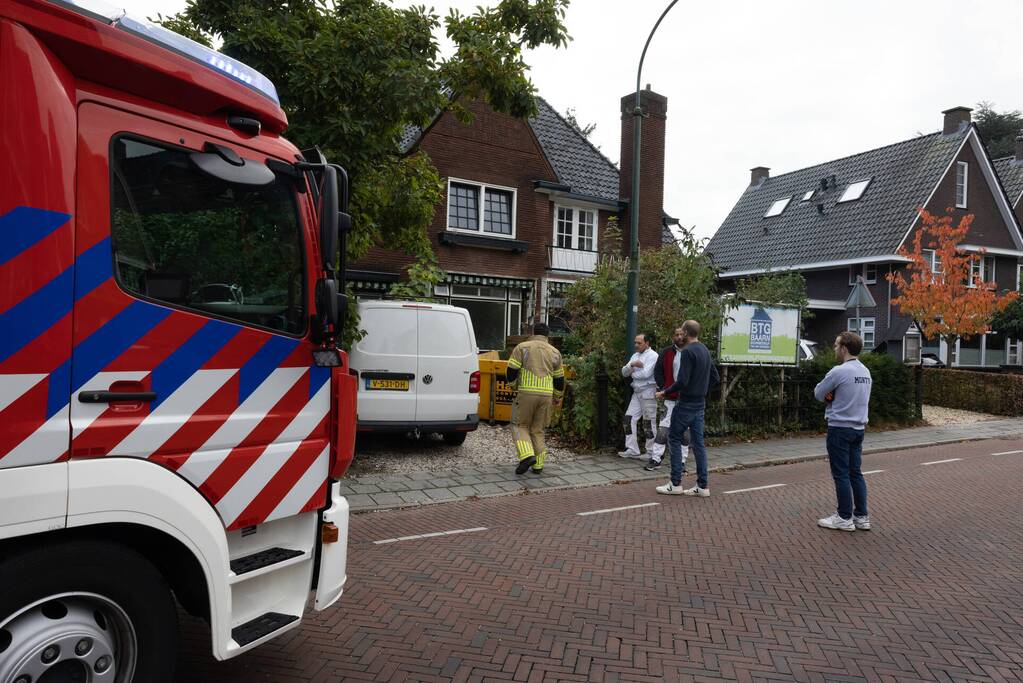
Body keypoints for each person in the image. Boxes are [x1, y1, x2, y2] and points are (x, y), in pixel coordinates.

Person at [813, 331, 873, 532]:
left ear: (844, 348)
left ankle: (844, 517)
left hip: (839, 428)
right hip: (858, 429)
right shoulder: (865, 372)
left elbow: (818, 394)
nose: (834, 348)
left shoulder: (839, 371)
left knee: (841, 474)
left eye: (836, 345)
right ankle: (861, 516)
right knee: (855, 472)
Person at [654, 320, 719, 497]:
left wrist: (664, 392)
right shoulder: (705, 349)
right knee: (698, 444)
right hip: (700, 403)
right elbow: (715, 377)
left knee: (674, 438)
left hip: (686, 404)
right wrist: (701, 387)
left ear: (685, 332)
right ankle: (703, 486)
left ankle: (675, 483)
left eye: (682, 330)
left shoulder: (688, 351)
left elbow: (682, 381)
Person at [506, 322, 565, 475]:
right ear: (547, 335)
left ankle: (526, 456)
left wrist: (512, 385)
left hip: (526, 392)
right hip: (546, 395)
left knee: (519, 425)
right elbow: (559, 379)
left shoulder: (523, 347)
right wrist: (557, 396)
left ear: (533, 332)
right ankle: (538, 465)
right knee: (538, 429)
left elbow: (512, 370)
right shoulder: (555, 352)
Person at [646, 326, 689, 471]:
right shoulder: (666, 352)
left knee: (684, 431)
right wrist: (663, 387)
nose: (679, 337)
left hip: (686, 399)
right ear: (673, 337)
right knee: (663, 429)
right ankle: (656, 458)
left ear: (686, 336)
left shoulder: (691, 352)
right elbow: (657, 370)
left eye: (681, 334)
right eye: (676, 334)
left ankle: (682, 461)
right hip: (669, 397)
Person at [618, 333, 659, 459]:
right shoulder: (635, 356)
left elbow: (646, 374)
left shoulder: (653, 356)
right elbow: (624, 372)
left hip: (649, 392)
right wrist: (632, 365)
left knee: (648, 423)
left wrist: (633, 372)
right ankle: (632, 449)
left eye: (639, 343)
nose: (636, 345)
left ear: (647, 343)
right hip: (637, 391)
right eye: (635, 342)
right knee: (628, 419)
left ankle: (651, 452)